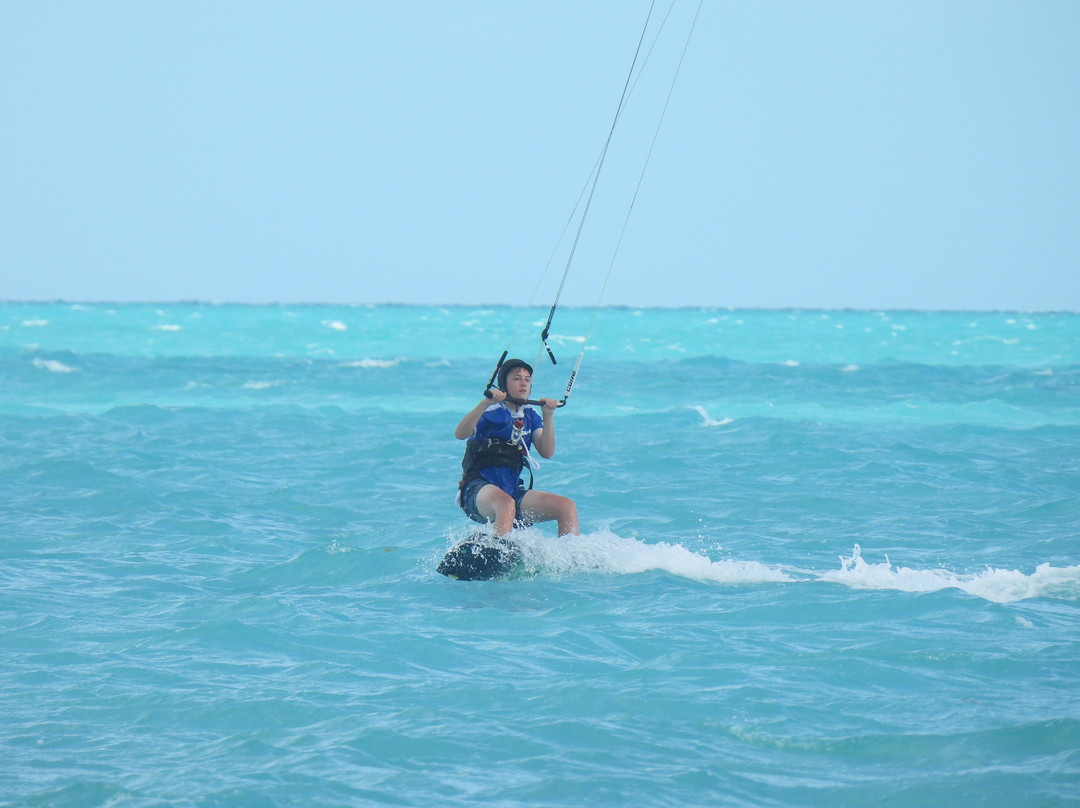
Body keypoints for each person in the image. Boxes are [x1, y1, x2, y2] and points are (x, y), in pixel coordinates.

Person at [455, 359, 578, 537]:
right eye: (517, 378)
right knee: (505, 504)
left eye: (527, 379)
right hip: (476, 491)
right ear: (504, 383)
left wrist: (548, 415)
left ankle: (570, 559)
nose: (523, 383)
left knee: (566, 506)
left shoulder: (530, 414)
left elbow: (547, 452)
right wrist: (484, 403)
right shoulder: (491, 411)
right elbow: (460, 433)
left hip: (512, 492)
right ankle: (499, 554)